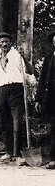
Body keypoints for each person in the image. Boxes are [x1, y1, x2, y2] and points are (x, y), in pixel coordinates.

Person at [0, 32, 33, 166]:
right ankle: (9, 152)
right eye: (2, 42)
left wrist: (25, 57)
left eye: (7, 41)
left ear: (11, 43)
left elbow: (30, 70)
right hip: (1, 91)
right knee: (5, 123)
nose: (4, 44)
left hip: (16, 90)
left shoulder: (17, 55)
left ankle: (17, 154)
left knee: (17, 123)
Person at [35, 31, 55, 169]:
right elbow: (42, 80)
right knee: (53, 128)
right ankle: (53, 159)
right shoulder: (49, 57)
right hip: (51, 99)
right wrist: (38, 99)